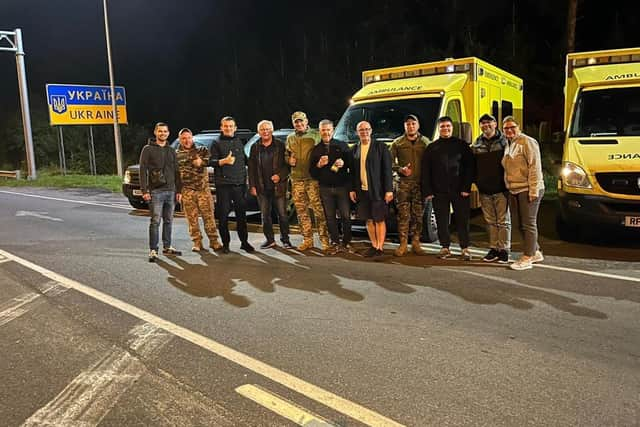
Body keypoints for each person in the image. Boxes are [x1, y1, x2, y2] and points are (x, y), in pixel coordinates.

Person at [421, 116, 475, 260]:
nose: (445, 129)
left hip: (460, 190)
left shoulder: (462, 145)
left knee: (462, 220)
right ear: (439, 129)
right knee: (442, 220)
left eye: (448, 126)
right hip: (439, 192)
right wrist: (428, 191)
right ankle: (445, 247)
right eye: (442, 126)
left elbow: (470, 167)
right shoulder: (432, 147)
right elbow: (426, 170)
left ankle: (465, 248)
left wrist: (466, 187)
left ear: (452, 128)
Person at [501, 116, 545, 270]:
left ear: (518, 127)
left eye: (512, 127)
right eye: (506, 128)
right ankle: (536, 251)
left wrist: (533, 190)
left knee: (528, 224)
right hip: (514, 189)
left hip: (528, 188)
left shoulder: (527, 142)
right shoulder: (509, 143)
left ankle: (528, 257)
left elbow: (534, 167)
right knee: (519, 223)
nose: (509, 130)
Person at [285, 111, 330, 251]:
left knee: (319, 211)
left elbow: (325, 149)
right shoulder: (290, 137)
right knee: (301, 212)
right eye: (296, 122)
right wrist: (288, 160)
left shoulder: (316, 135)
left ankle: (324, 241)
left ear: (306, 121)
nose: (299, 124)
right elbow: (286, 154)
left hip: (312, 180)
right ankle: (307, 240)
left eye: (301, 121)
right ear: (293, 123)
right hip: (297, 179)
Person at [209, 116, 254, 254]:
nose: (228, 128)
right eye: (225, 126)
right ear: (221, 127)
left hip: (239, 185)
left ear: (235, 128)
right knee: (223, 216)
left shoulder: (238, 141)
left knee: (241, 216)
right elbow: (211, 161)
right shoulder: (216, 143)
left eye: (231, 126)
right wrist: (224, 161)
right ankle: (226, 244)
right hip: (224, 186)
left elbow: (244, 161)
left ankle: (244, 242)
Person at [139, 122, 182, 262]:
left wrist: (179, 190)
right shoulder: (148, 149)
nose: (162, 133)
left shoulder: (171, 150)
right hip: (155, 191)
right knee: (155, 221)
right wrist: (144, 190)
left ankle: (167, 246)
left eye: (165, 131)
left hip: (171, 191)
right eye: (160, 131)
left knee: (169, 220)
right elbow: (142, 170)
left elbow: (177, 171)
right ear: (155, 132)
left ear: (168, 133)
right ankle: (153, 250)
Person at [350, 121, 394, 258]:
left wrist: (389, 190)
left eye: (366, 129)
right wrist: (352, 189)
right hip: (362, 190)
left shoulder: (380, 147)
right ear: (357, 132)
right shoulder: (355, 149)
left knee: (379, 219)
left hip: (378, 190)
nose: (364, 132)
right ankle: (374, 245)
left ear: (371, 130)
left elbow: (387, 170)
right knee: (368, 219)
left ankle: (380, 247)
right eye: (361, 130)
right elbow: (352, 172)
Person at [309, 119, 353, 254]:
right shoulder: (316, 150)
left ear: (333, 130)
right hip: (325, 188)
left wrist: (343, 163)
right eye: (323, 130)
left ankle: (346, 241)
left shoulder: (342, 146)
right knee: (330, 217)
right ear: (319, 131)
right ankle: (335, 241)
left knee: (346, 216)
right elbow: (312, 173)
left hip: (342, 186)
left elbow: (351, 166)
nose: (326, 132)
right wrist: (319, 165)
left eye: (328, 129)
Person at [175, 128, 223, 252]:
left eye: (189, 138)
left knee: (209, 217)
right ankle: (197, 242)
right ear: (180, 140)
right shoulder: (175, 155)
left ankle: (214, 241)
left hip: (203, 190)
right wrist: (178, 191)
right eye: (183, 138)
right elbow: (175, 174)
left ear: (192, 138)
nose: (187, 140)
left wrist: (200, 161)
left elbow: (208, 161)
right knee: (192, 219)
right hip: (187, 190)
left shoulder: (202, 150)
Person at [472, 113, 511, 263]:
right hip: (485, 189)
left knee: (503, 221)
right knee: (490, 221)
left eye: (489, 123)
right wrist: (477, 182)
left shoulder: (505, 142)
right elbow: (473, 166)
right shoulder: (476, 144)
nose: (486, 125)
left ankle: (504, 250)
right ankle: (494, 249)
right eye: (483, 123)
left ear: (495, 124)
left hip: (501, 188)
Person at [248, 120, 293, 249]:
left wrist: (280, 176)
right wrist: (252, 186)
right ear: (258, 132)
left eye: (267, 129)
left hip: (278, 187)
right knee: (265, 216)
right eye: (262, 129)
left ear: (272, 130)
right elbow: (251, 168)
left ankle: (285, 240)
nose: (265, 131)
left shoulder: (280, 145)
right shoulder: (255, 147)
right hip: (261, 187)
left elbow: (287, 165)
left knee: (282, 215)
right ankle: (270, 240)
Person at [390, 114, 430, 256]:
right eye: (408, 124)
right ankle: (402, 244)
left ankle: (416, 243)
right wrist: (400, 169)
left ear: (418, 125)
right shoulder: (397, 143)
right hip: (403, 185)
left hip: (420, 184)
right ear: (404, 126)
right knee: (403, 215)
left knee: (418, 216)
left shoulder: (426, 143)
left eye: (413, 123)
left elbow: (432, 163)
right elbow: (389, 163)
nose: (411, 126)